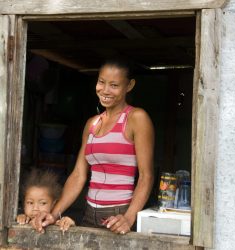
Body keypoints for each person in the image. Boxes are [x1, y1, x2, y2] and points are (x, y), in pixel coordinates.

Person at [32, 57, 154, 235]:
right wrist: (53, 214)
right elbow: (78, 175)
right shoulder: (92, 124)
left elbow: (146, 176)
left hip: (119, 215)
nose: (105, 90)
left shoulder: (137, 118)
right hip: (89, 213)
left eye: (114, 85)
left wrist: (128, 218)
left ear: (129, 86)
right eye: (101, 82)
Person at [17, 168, 75, 232]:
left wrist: (67, 223)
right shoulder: (24, 219)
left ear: (53, 204)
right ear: (24, 204)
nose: (35, 208)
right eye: (30, 203)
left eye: (42, 203)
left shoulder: (57, 222)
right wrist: (19, 219)